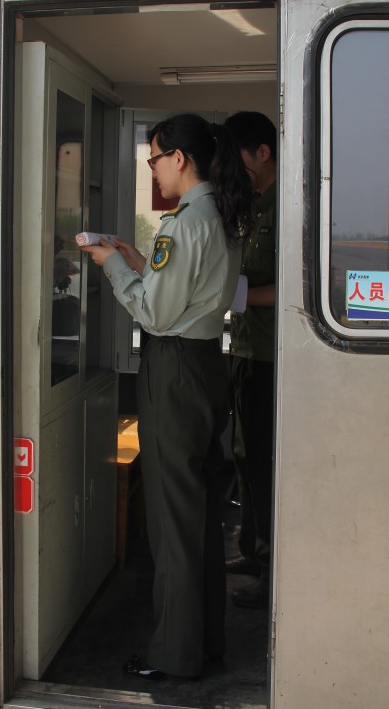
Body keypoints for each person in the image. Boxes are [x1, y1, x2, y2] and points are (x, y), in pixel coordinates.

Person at [80, 113, 252, 680]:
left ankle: (176, 657)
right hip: (206, 364)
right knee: (200, 513)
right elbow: (193, 290)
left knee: (173, 520)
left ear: (179, 158)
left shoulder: (183, 224)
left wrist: (112, 267)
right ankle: (205, 642)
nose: (153, 168)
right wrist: (138, 262)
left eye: (155, 158)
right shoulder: (221, 214)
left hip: (174, 370)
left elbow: (155, 312)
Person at [223, 111, 277, 611]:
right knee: (243, 455)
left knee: (262, 463)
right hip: (242, 348)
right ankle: (250, 549)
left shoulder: (286, 207)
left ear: (263, 152)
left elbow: (290, 287)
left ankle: (270, 567)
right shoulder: (253, 206)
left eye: (239, 156)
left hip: (267, 355)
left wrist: (234, 295)